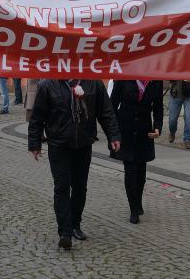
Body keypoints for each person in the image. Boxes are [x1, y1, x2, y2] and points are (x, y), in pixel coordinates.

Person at [28, 79, 121, 249]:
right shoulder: (48, 84)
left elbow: (106, 112)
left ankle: (75, 224)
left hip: (83, 144)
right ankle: (65, 232)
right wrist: (35, 143)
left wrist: (113, 135)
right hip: (58, 144)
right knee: (62, 186)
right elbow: (38, 116)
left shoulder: (94, 83)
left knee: (80, 187)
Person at [109, 79, 162, 224]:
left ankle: (138, 201)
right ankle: (133, 209)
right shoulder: (125, 76)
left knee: (141, 172)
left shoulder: (156, 80)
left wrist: (157, 127)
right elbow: (112, 104)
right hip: (125, 128)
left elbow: (158, 107)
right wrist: (113, 132)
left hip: (144, 131)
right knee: (130, 170)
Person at [166, 79, 190, 149]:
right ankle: (172, 133)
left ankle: (188, 139)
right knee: (172, 119)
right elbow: (167, 76)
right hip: (175, 94)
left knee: (188, 117)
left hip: (188, 94)